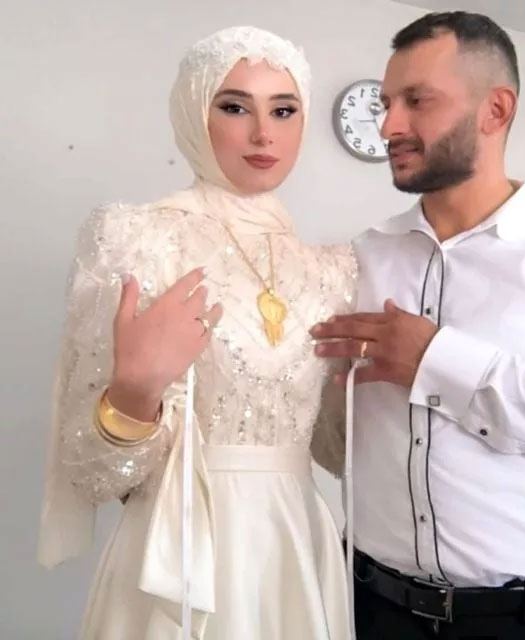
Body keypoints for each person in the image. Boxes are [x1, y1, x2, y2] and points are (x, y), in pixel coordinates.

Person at [312, 11, 525, 640]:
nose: (389, 126)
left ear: (495, 110)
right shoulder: (359, 258)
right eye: (385, 104)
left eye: (416, 101)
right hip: (372, 609)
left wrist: (439, 362)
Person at [38, 26, 356, 640]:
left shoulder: (334, 269)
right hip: (178, 548)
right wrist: (135, 393)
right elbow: (94, 474)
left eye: (284, 111)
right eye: (234, 107)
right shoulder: (136, 238)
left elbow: (336, 452)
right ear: (192, 111)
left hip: (293, 543)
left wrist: (367, 391)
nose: (263, 134)